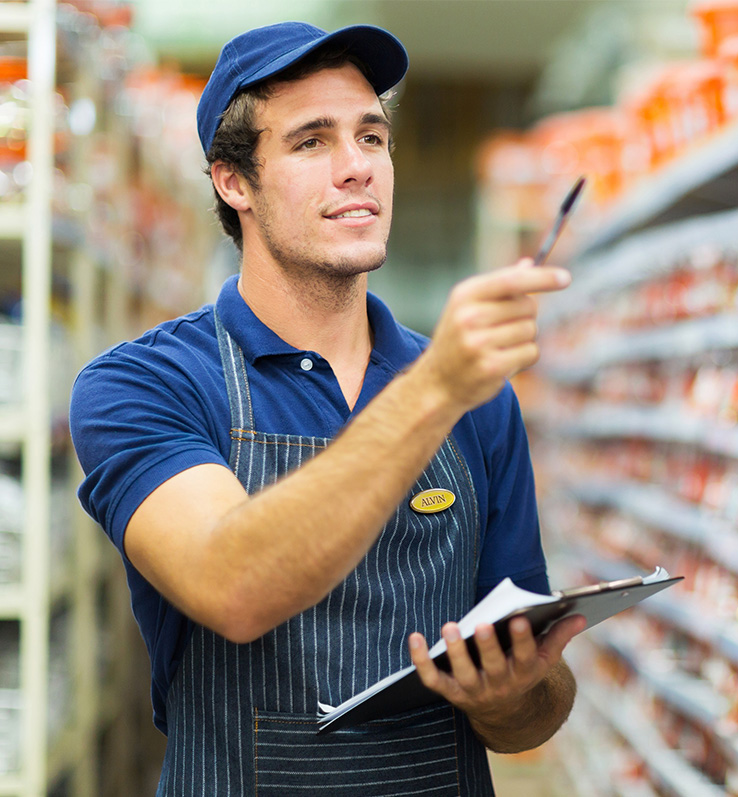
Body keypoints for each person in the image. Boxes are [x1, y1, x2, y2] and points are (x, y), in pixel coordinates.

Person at [68, 20, 583, 796]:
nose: (357, 169)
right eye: (312, 142)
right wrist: (434, 388)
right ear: (233, 182)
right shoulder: (146, 384)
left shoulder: (480, 402)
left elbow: (537, 712)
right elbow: (232, 584)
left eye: (372, 138)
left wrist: (512, 694)